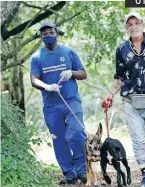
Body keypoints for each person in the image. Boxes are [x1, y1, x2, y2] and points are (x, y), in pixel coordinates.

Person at [103, 12, 145, 187]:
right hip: (130, 101)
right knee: (138, 140)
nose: (133, 26)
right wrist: (110, 94)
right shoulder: (121, 49)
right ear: (126, 28)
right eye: (130, 24)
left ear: (142, 24)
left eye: (136, 22)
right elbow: (119, 78)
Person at [30, 22, 87, 185]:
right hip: (51, 106)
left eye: (51, 32)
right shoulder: (37, 57)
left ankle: (82, 171)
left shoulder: (68, 52)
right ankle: (69, 174)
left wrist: (71, 73)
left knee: (76, 134)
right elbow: (34, 80)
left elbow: (83, 73)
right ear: (41, 37)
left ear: (56, 33)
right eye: (45, 34)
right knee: (59, 139)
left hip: (71, 101)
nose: (48, 35)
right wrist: (47, 86)